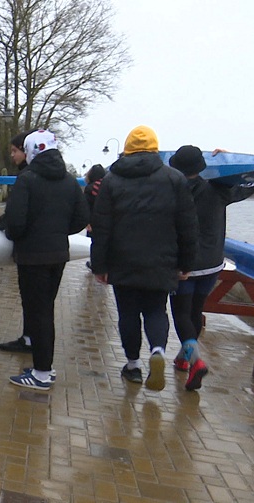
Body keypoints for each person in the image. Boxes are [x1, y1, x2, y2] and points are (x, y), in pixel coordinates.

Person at [89, 125, 198, 391]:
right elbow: (188, 225)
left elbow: (101, 226)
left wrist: (99, 266)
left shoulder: (112, 180)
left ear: (126, 150)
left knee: (127, 313)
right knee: (155, 310)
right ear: (155, 149)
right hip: (162, 260)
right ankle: (158, 350)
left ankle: (133, 366)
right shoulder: (174, 179)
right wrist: (186, 263)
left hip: (122, 259)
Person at [5, 129, 89, 390]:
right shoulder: (69, 181)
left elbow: (15, 224)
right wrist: (56, 231)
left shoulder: (27, 180)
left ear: (31, 151)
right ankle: (43, 367)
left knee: (38, 313)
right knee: (45, 310)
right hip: (58, 254)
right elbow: (81, 218)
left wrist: (18, 234)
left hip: (32, 256)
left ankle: (42, 372)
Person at [168, 146, 254, 391]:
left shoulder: (174, 191)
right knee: (196, 310)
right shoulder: (218, 190)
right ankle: (184, 359)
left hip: (184, 264)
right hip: (213, 264)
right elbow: (249, 186)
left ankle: (195, 361)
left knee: (181, 314)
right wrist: (233, 159)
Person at [0, 130, 35, 353]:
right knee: (42, 304)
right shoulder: (64, 178)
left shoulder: (27, 178)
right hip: (57, 251)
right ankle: (31, 340)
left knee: (33, 302)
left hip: (31, 251)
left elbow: (16, 216)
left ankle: (40, 363)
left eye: (14, 151)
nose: (12, 155)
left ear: (26, 150)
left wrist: (5, 229)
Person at [82, 163, 107, 270]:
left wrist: (87, 222)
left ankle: (95, 264)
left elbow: (86, 206)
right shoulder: (107, 186)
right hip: (106, 220)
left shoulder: (90, 188)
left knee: (93, 243)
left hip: (94, 221)